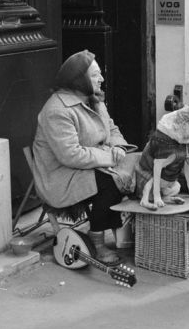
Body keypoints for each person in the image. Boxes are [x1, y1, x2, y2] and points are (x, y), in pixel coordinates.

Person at [31, 50, 134, 265]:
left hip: (92, 163)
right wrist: (109, 157)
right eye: (96, 75)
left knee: (137, 165)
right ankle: (98, 242)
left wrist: (118, 147)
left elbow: (112, 128)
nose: (102, 79)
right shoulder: (56, 110)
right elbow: (71, 155)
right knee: (110, 182)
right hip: (61, 176)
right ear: (80, 80)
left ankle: (128, 235)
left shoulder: (93, 100)